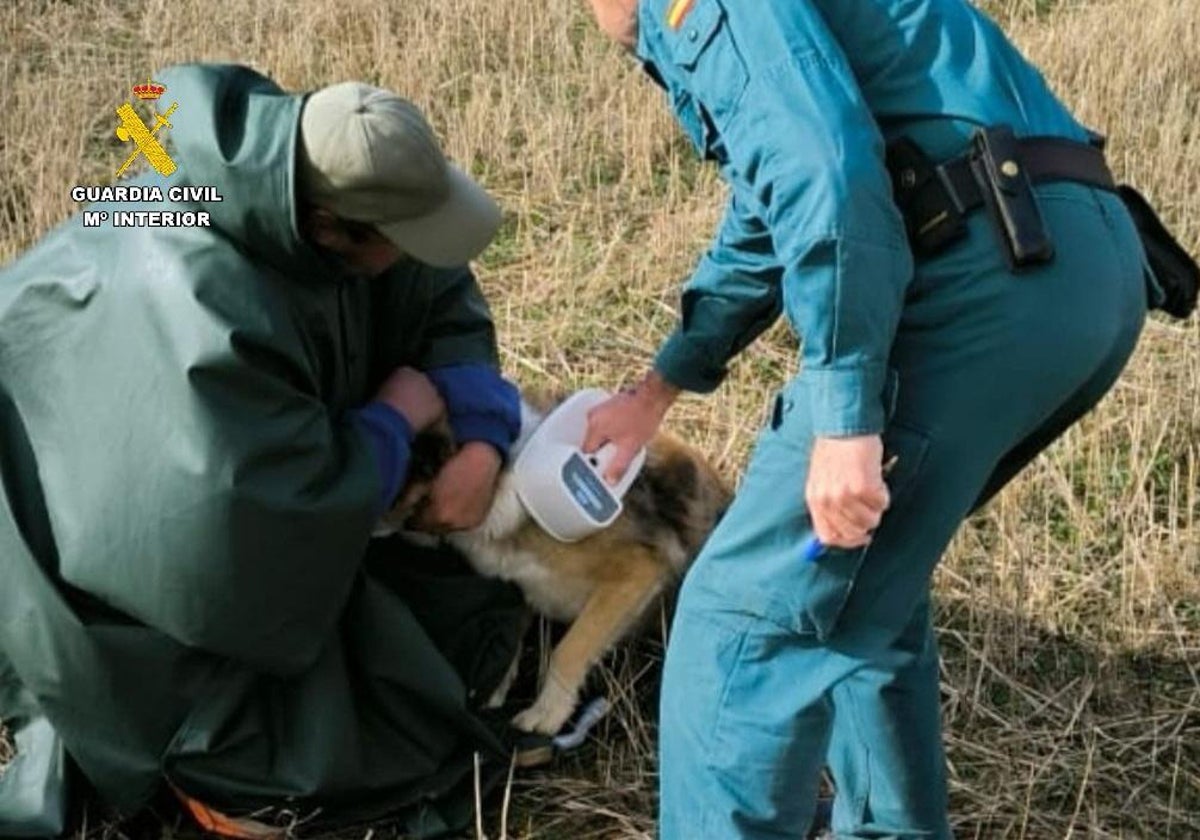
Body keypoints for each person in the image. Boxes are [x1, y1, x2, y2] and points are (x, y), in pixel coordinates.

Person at [578, 1, 1156, 837]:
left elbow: (828, 173)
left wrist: (847, 419)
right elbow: (769, 210)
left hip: (978, 282)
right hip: (1077, 272)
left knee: (739, 624)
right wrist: (657, 389)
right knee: (863, 583)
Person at [0, 64, 529, 837]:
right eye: (399, 241)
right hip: (91, 560)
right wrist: (391, 418)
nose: (414, 253)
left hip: (230, 488)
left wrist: (481, 433)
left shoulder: (306, 180)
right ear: (329, 228)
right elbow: (229, 531)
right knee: (344, 744)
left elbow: (433, 284)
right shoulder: (197, 299)